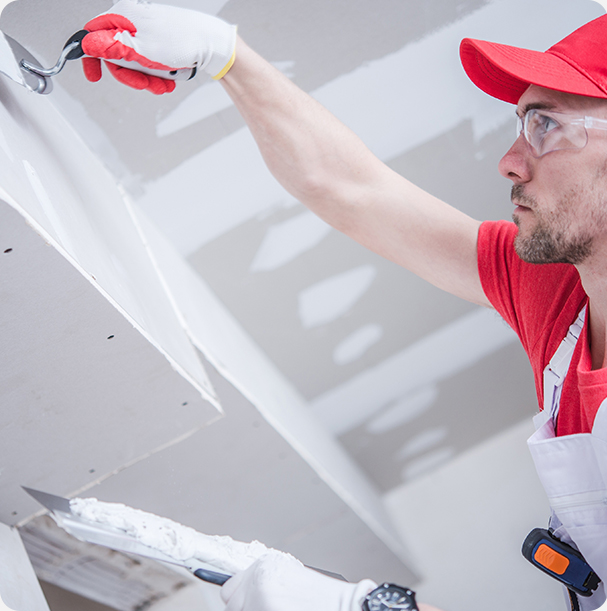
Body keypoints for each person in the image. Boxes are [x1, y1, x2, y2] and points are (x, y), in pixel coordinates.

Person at [78, 2, 607, 610]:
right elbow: (353, 190)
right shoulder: (561, 295)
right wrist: (227, 56)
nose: (509, 161)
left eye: (545, 126)